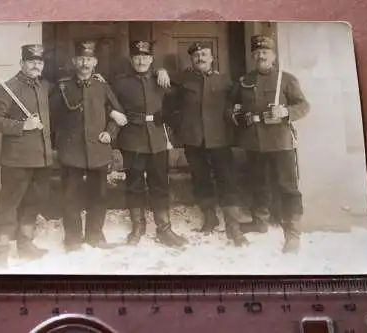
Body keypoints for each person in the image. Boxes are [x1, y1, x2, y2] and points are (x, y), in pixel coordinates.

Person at [229, 35, 310, 253]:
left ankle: (293, 233)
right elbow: (232, 107)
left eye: (265, 52)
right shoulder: (245, 80)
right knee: (258, 183)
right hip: (254, 142)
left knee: (288, 187)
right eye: (257, 53)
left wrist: (285, 112)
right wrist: (238, 117)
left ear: (273, 55)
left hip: (280, 141)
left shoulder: (286, 79)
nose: (260, 55)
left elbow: (303, 106)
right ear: (253, 56)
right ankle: (259, 221)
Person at [166, 42, 249, 247]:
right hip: (193, 139)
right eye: (196, 56)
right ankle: (210, 218)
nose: (200, 58)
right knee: (200, 179)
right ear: (191, 60)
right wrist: (180, 127)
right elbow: (169, 105)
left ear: (212, 58)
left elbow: (235, 104)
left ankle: (233, 225)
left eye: (204, 54)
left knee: (227, 179)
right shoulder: (183, 79)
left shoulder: (225, 80)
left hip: (220, 139)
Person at [50, 40, 126, 252]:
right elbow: (53, 117)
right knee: (70, 196)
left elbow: (118, 114)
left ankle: (95, 235)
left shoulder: (102, 85)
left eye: (89, 59)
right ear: (74, 61)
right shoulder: (63, 86)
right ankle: (73, 238)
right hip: (72, 149)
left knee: (99, 195)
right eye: (81, 59)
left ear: (95, 62)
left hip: (98, 150)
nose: (85, 63)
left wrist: (109, 133)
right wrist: (59, 141)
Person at [110, 40, 187, 248]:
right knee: (134, 184)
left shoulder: (160, 78)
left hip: (158, 139)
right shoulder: (120, 82)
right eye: (137, 57)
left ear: (151, 59)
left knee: (160, 183)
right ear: (132, 59)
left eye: (145, 57)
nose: (141, 60)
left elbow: (185, 88)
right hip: (132, 138)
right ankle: (138, 227)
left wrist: (163, 71)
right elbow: (106, 100)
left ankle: (164, 228)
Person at [0, 44, 54, 267]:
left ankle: (25, 244)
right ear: (22, 63)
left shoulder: (43, 87)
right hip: (16, 160)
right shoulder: (8, 88)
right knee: (9, 205)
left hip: (40, 159)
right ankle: (0, 252)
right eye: (31, 61)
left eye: (40, 62)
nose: (36, 65)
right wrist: (23, 125)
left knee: (32, 203)